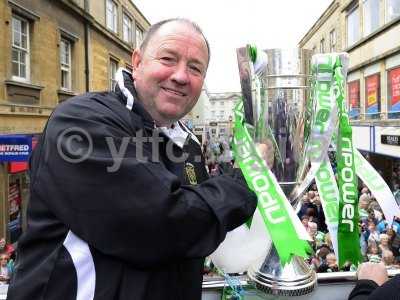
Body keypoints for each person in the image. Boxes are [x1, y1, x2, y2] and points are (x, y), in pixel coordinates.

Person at [7, 18, 258, 300]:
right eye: (168, 59)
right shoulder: (82, 122)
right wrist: (246, 181)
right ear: (136, 61)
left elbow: (198, 230)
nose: (180, 75)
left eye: (195, 68)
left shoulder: (187, 142)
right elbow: (162, 223)